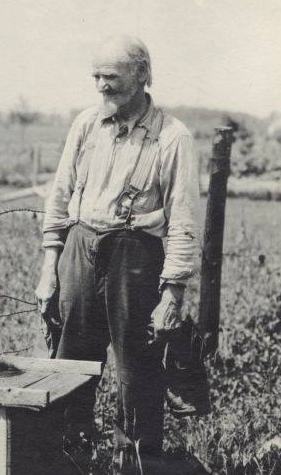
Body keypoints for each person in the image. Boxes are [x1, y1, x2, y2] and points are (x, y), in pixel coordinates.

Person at [35, 35, 200, 474]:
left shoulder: (173, 138)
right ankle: (70, 460)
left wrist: (173, 293)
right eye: (96, 77)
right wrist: (49, 267)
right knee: (71, 363)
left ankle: (137, 465)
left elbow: (183, 222)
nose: (101, 86)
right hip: (79, 248)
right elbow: (59, 196)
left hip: (136, 257)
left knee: (137, 371)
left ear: (142, 74)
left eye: (111, 76)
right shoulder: (87, 125)